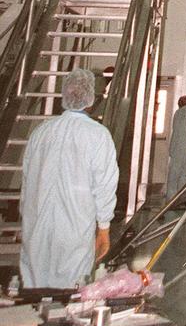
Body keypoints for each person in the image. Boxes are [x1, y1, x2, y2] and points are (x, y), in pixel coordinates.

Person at [20, 67, 119, 289]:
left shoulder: (41, 132)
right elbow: (104, 185)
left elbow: (27, 182)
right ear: (91, 98)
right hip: (74, 229)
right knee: (70, 291)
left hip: (36, 226)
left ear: (64, 95)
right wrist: (104, 227)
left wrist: (24, 216)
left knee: (33, 291)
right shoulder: (98, 135)